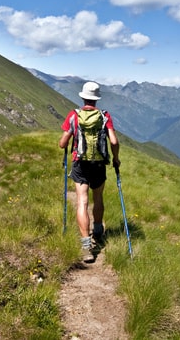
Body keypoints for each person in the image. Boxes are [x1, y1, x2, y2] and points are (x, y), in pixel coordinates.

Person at [59, 81, 120, 262]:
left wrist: (68, 142)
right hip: (99, 164)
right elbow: (114, 142)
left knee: (82, 202)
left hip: (80, 164)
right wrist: (116, 159)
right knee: (98, 198)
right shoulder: (104, 116)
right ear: (96, 99)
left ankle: (86, 245)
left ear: (83, 97)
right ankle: (99, 229)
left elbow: (62, 143)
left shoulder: (73, 116)